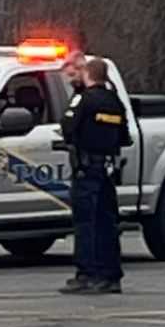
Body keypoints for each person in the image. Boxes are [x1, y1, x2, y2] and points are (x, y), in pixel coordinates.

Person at [60, 57, 132, 294]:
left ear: (89, 74)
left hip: (86, 169)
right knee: (107, 223)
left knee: (86, 223)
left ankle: (87, 274)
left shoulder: (84, 99)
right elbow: (125, 137)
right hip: (108, 169)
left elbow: (68, 128)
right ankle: (111, 276)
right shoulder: (115, 102)